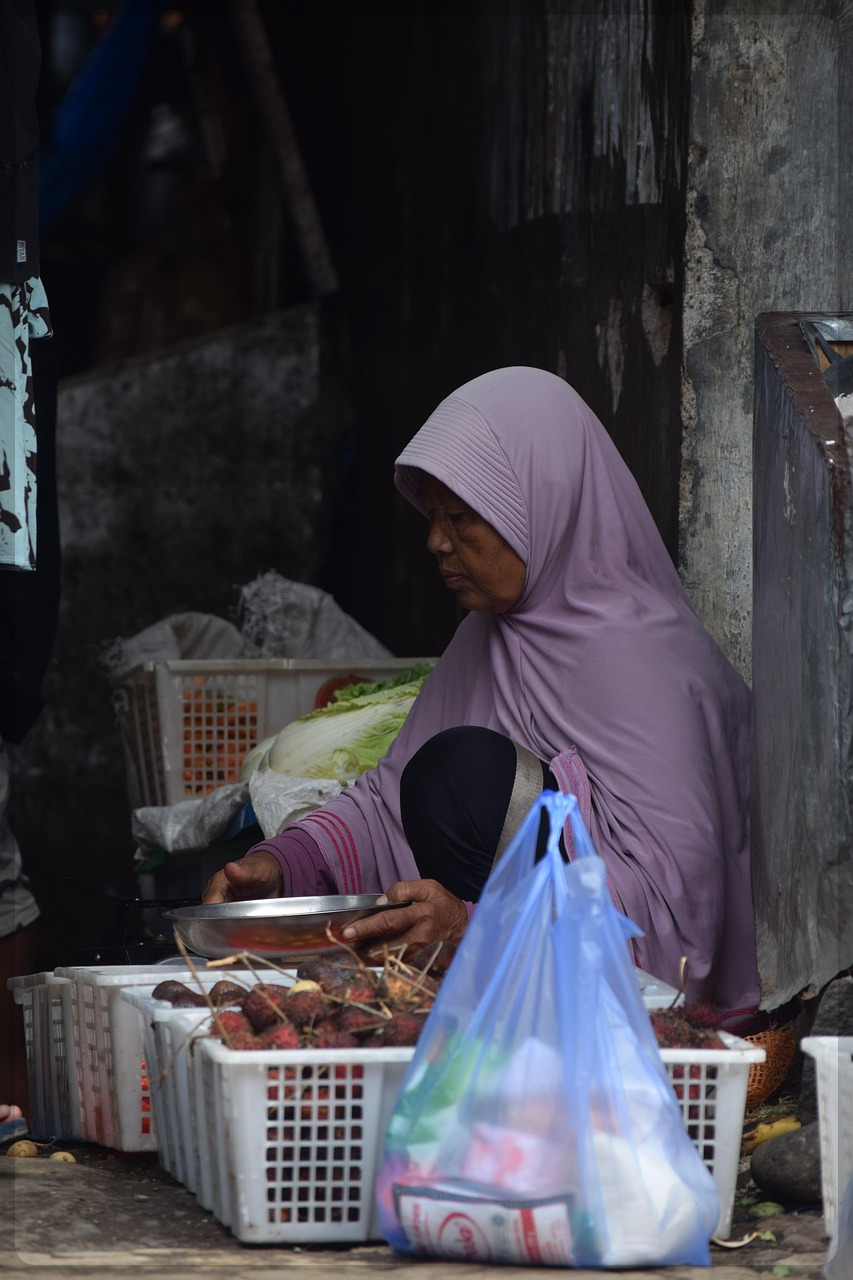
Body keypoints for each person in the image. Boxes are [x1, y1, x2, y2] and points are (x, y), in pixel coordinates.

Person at [203, 366, 761, 1030]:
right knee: (443, 774)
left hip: (642, 1002)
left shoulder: (637, 662)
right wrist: (283, 865)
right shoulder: (487, 638)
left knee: (462, 772)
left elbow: (674, 903)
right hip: (528, 961)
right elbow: (387, 804)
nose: (436, 541)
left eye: (462, 517)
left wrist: (475, 931)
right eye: (433, 516)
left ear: (540, 505)